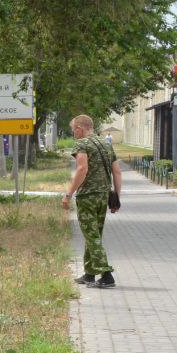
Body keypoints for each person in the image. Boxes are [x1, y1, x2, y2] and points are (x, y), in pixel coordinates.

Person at [62, 114, 122, 287]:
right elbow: (117, 171)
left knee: (91, 236)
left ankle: (106, 275)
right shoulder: (106, 144)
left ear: (80, 129)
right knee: (94, 234)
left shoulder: (81, 144)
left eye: (73, 130)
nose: (73, 133)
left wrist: (68, 194)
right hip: (103, 195)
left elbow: (82, 168)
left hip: (87, 196)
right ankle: (89, 274)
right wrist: (116, 198)